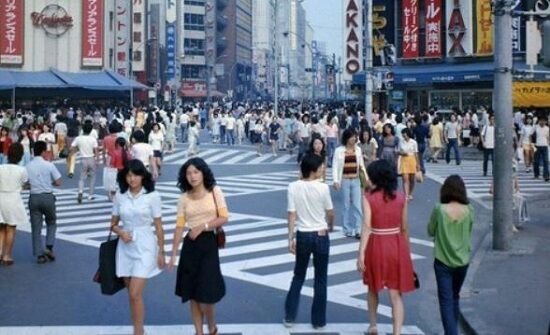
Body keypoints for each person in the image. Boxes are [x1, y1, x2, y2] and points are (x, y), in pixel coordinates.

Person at [357, 159, 416, 335]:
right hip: (396, 244)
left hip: (376, 243)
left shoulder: (368, 198)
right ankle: (396, 331)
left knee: (373, 287)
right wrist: (407, 252)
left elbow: (367, 226)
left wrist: (361, 253)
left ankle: (373, 325)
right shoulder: (401, 197)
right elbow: (405, 228)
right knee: (396, 293)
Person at [170, 157, 228, 335]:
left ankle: (211, 326)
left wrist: (203, 226)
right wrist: (172, 255)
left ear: (203, 173)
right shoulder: (183, 199)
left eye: (196, 172)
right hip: (190, 247)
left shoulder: (214, 191)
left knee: (208, 294)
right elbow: (180, 226)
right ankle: (198, 331)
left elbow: (224, 217)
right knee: (193, 294)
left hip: (209, 244)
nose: (192, 176)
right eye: (188, 173)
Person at [110, 159, 165, 335]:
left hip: (145, 245)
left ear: (143, 176)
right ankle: (139, 328)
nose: (132, 179)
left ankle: (138, 332)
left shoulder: (152, 196)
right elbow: (113, 224)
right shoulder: (120, 196)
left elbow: (158, 226)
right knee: (132, 295)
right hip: (125, 246)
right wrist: (120, 232)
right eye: (128, 175)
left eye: (135, 175)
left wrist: (162, 252)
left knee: (134, 293)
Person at [284, 153, 335, 330]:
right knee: (321, 279)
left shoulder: (293, 187)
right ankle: (318, 320)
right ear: (313, 170)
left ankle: (290, 316)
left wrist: (290, 237)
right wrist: (330, 225)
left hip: (303, 234)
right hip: (321, 234)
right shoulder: (323, 188)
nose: (323, 169)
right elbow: (330, 212)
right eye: (321, 167)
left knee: (298, 275)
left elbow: (291, 214)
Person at [428, 175, 474, 335]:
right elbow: (469, 231)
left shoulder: (439, 209)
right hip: (463, 262)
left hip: (443, 262)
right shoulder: (469, 210)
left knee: (446, 301)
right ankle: (451, 330)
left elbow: (430, 230)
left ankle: (451, 332)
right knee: (455, 297)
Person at [26, 141, 62, 264]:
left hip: (34, 197)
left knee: (36, 227)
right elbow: (58, 182)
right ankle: (49, 246)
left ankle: (39, 255)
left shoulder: (28, 166)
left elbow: (25, 184)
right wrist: (49, 184)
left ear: (33, 151)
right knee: (51, 222)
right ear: (43, 152)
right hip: (47, 197)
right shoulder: (49, 165)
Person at [332, 128, 368, 238]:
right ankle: (347, 228)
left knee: (357, 205)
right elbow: (335, 166)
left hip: (356, 179)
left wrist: (366, 178)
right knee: (346, 205)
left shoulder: (357, 150)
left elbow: (361, 165)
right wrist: (336, 181)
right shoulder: (339, 150)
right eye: (352, 137)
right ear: (347, 138)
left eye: (355, 137)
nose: (354, 139)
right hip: (344, 179)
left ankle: (358, 229)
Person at [0, 143, 28, 265]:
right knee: (11, 228)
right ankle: (7, 256)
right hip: (13, 199)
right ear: (21, 156)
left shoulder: (0, 168)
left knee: (0, 228)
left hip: (0, 197)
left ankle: (0, 252)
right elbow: (25, 184)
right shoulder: (22, 170)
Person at [70, 122, 99, 203]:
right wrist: (97, 160)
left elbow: (72, 148)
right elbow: (96, 150)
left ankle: (80, 192)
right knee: (92, 177)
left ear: (82, 129)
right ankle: (90, 195)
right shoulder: (92, 139)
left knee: (82, 177)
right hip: (91, 158)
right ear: (90, 130)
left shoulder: (78, 138)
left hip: (83, 159)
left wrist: (74, 151)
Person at [399, 128, 420, 200]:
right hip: (404, 160)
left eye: (405, 135)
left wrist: (418, 164)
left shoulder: (413, 142)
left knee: (412, 179)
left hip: (412, 160)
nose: (404, 137)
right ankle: (406, 194)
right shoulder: (401, 142)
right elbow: (399, 151)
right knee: (405, 178)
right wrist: (402, 153)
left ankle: (410, 193)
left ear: (408, 134)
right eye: (403, 136)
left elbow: (416, 153)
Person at [532, 115, 549, 182]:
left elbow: (548, 137)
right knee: (536, 161)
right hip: (537, 146)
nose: (542, 122)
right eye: (541, 120)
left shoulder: (547, 128)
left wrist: (548, 143)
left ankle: (546, 175)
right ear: (538, 121)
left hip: (545, 146)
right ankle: (536, 174)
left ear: (546, 121)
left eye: (544, 121)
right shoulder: (535, 127)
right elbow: (531, 135)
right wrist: (532, 144)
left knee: (546, 161)